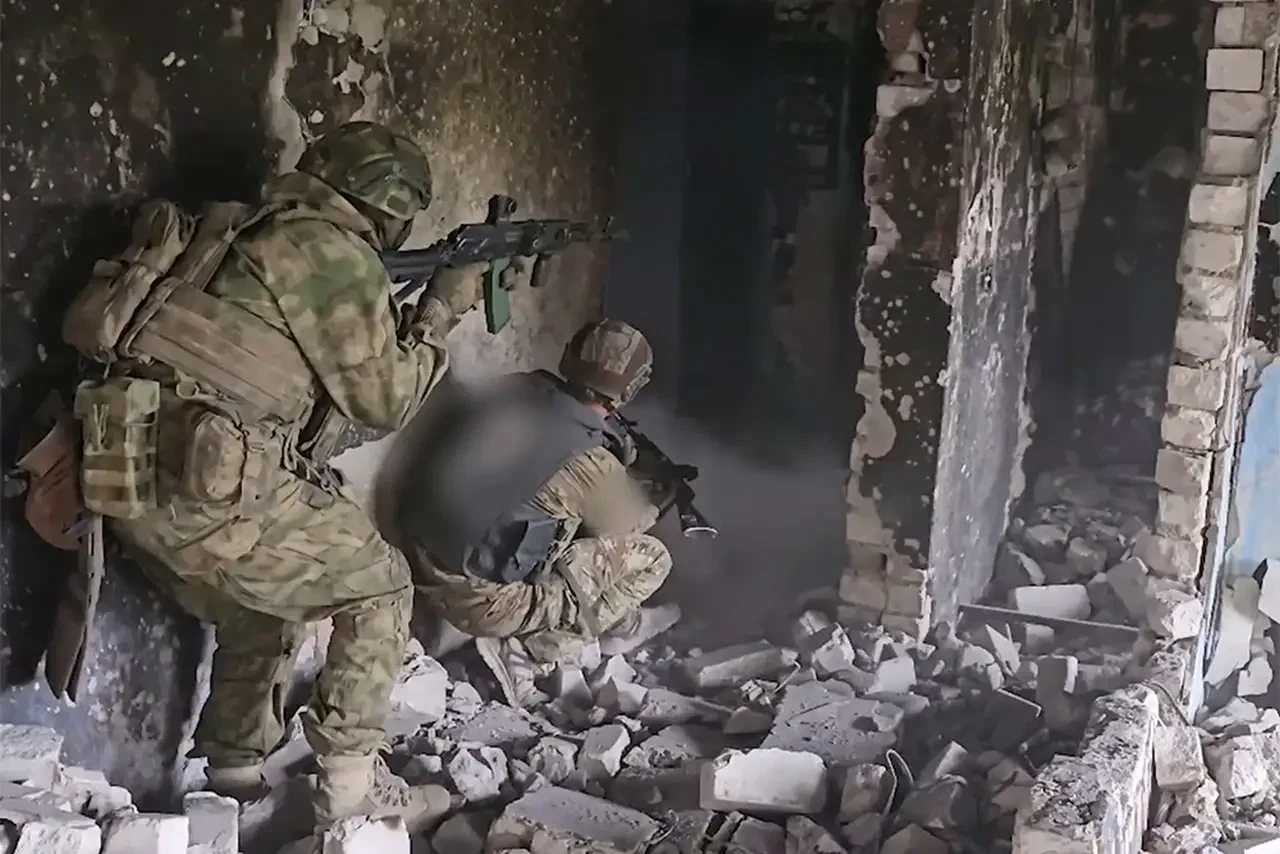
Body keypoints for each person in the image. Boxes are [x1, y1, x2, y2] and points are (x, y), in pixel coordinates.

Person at [64, 121, 503, 831]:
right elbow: (385, 401)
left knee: (265, 605)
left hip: (129, 480)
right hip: (212, 489)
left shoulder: (244, 228)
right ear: (391, 203)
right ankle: (351, 797)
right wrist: (440, 310)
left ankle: (232, 786)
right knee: (382, 585)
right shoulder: (332, 253)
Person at [397, 319, 680, 707]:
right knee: (650, 558)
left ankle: (620, 621)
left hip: (417, 555)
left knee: (551, 512)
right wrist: (656, 501)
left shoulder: (518, 388)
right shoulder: (590, 461)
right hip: (479, 602)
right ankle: (529, 652)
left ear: (568, 356)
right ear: (628, 392)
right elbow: (624, 529)